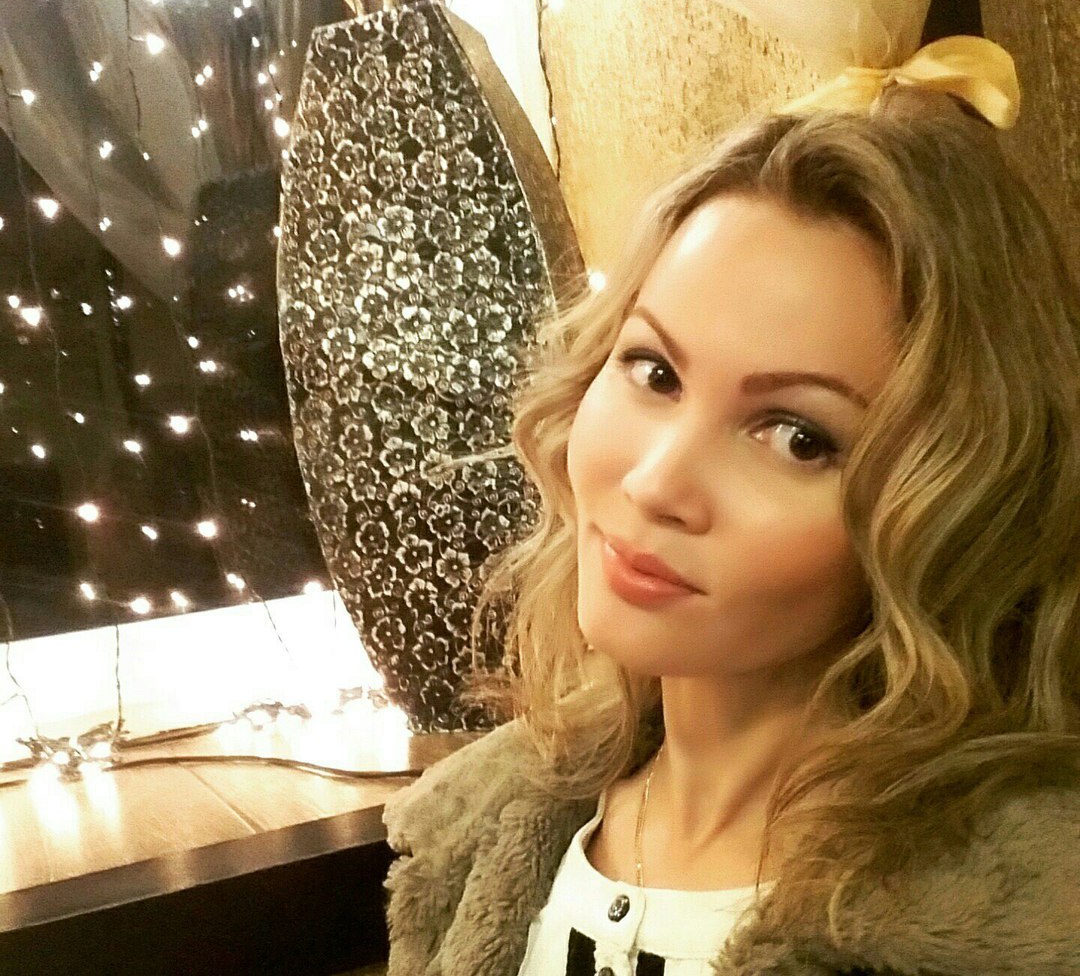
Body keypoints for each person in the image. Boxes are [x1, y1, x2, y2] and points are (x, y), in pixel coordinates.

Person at [380, 68, 1080, 975]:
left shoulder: (1019, 923)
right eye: (655, 372)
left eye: (797, 437)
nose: (656, 482)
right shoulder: (477, 828)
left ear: (952, 509)